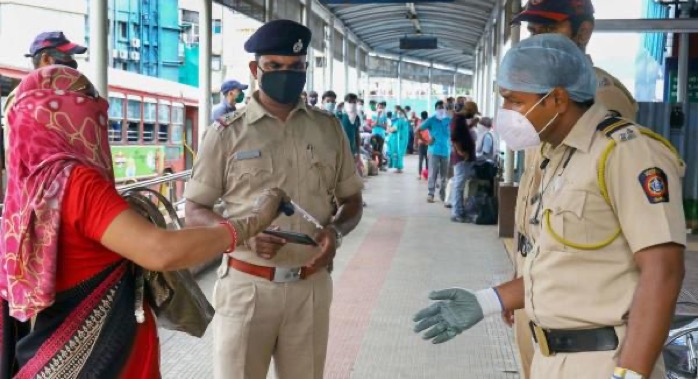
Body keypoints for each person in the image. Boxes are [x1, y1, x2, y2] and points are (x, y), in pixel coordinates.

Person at [414, 34, 685, 379]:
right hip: (550, 359)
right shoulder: (553, 156)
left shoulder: (625, 152)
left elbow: (663, 269)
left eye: (513, 101)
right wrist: (488, 301)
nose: (505, 113)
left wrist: (631, 373)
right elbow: (562, 268)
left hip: (605, 361)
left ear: (557, 98)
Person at [0, 65, 287, 378]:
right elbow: (160, 251)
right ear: (67, 116)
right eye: (91, 102)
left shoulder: (30, 186)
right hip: (107, 362)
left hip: (54, 345)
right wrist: (250, 222)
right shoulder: (77, 181)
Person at [183, 19, 364, 379]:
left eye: (296, 67)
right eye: (275, 66)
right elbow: (194, 211)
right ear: (255, 69)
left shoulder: (328, 129)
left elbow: (352, 202)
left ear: (306, 69)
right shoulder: (226, 134)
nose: (287, 74)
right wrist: (242, 233)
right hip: (247, 287)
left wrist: (337, 232)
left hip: (310, 288)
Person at [509, 1, 641, 376]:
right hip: (536, 279)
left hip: (577, 302)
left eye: (548, 32)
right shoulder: (539, 95)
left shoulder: (602, 96)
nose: (536, 44)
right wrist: (519, 284)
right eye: (532, 34)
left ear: (584, 33)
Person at [3, 31, 87, 167]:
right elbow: (15, 154)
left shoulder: (67, 94)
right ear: (46, 59)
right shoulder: (20, 98)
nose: (72, 63)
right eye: (67, 56)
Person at [420, 100, 451, 203]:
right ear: (435, 109)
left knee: (444, 175)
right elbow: (418, 130)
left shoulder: (448, 120)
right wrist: (426, 141)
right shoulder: (431, 120)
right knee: (432, 173)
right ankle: (431, 193)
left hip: (446, 151)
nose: (441, 110)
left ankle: (442, 194)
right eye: (439, 108)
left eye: (443, 108)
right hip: (433, 151)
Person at [449, 114, 477, 223]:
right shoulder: (457, 119)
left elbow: (459, 135)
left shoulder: (460, 121)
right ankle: (457, 213)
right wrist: (461, 151)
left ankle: (458, 211)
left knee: (459, 185)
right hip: (462, 159)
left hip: (463, 158)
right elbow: (454, 138)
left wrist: (469, 125)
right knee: (458, 186)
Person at [340, 93, 362, 162]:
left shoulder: (357, 118)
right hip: (340, 149)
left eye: (354, 102)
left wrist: (358, 152)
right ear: (345, 103)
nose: (352, 104)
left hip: (352, 149)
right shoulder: (339, 115)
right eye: (350, 102)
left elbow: (357, 134)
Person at [387, 108, 410, 173]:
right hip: (403, 140)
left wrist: (389, 128)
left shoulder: (400, 121)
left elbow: (393, 129)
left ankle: (399, 168)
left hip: (398, 141)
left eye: (398, 113)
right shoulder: (405, 120)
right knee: (400, 154)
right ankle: (399, 168)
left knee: (397, 153)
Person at [416, 111, 430, 180]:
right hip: (427, 143)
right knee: (427, 159)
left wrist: (415, 143)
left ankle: (419, 174)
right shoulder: (429, 122)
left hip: (421, 142)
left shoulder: (419, 122)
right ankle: (427, 174)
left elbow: (416, 133)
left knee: (421, 159)